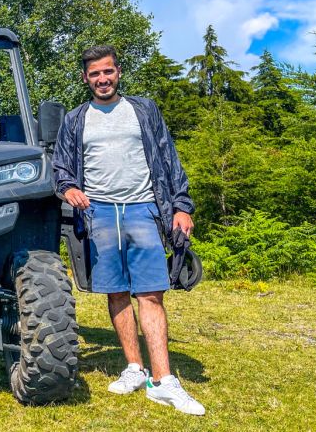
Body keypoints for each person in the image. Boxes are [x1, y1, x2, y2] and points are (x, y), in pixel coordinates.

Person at [52, 45, 206, 416]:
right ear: (85, 79)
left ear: (118, 72)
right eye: (94, 74)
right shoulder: (75, 119)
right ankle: (134, 368)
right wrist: (69, 188)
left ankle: (164, 380)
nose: (102, 79)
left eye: (108, 72)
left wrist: (182, 205)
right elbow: (61, 168)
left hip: (143, 209)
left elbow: (168, 158)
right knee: (117, 292)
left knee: (151, 293)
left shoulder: (143, 110)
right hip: (99, 213)